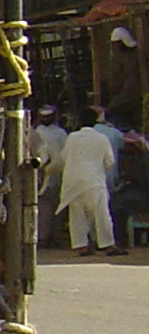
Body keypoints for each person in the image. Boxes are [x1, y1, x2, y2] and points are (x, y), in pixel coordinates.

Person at [59, 110, 125, 257]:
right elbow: (110, 162)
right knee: (101, 214)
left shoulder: (72, 138)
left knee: (77, 214)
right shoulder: (102, 138)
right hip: (94, 180)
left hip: (72, 181)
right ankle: (108, 245)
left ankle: (80, 246)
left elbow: (64, 157)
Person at [34, 102, 68, 247]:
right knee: (44, 208)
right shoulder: (36, 132)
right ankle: (43, 238)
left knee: (58, 208)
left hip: (59, 174)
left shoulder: (61, 133)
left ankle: (55, 236)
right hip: (42, 174)